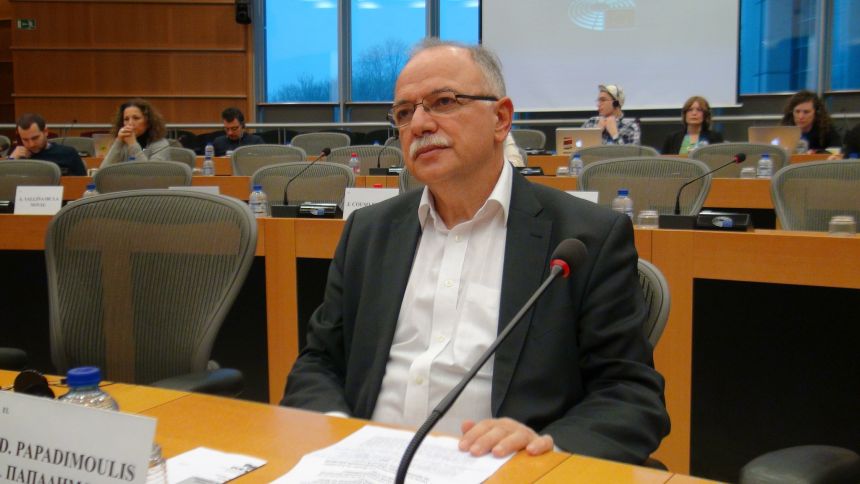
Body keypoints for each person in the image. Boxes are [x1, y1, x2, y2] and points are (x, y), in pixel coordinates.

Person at [281, 39, 670, 465]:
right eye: (404, 112)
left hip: (505, 470)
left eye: (443, 102)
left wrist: (547, 446)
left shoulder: (585, 238)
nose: (419, 124)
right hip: (363, 465)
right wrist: (338, 433)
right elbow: (318, 363)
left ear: (500, 118)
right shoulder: (369, 232)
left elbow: (631, 396)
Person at [100, 98, 170, 168]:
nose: (130, 123)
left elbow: (148, 173)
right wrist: (118, 141)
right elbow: (103, 171)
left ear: (148, 122)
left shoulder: (161, 145)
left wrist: (132, 144)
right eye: (126, 119)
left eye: (136, 118)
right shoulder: (122, 143)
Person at [9, 113, 86, 176]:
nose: (31, 144)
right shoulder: (17, 156)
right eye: (25, 140)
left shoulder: (68, 153)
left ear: (45, 132)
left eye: (35, 138)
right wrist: (11, 161)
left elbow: (83, 183)